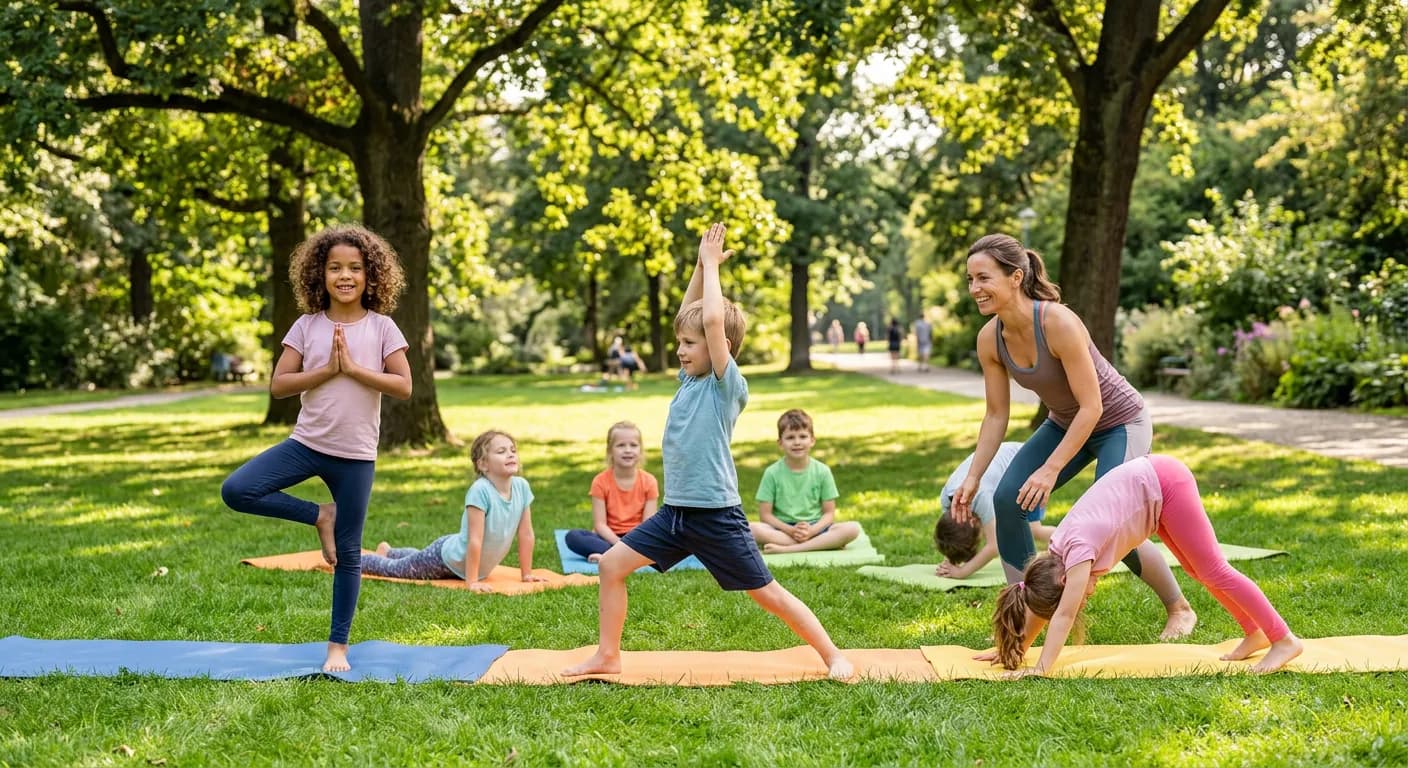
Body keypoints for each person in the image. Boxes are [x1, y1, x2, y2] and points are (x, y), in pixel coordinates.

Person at [563, 223, 854, 681]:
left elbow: (712, 322)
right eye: (680, 342)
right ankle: (608, 655)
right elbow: (693, 314)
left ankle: (833, 654)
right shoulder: (689, 378)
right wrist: (700, 265)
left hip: (717, 515)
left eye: (689, 344)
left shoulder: (725, 385)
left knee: (768, 594)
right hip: (676, 514)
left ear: (722, 350)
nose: (680, 351)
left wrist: (715, 267)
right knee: (612, 567)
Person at [953, 232, 1196, 640]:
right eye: (970, 280)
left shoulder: (1057, 322)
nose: (975, 289)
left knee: (1111, 517)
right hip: (1067, 422)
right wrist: (973, 477)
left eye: (983, 278)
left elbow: (1094, 407)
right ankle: (1026, 614)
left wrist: (1050, 470)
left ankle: (1179, 607)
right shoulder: (990, 339)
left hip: (1120, 421)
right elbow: (996, 415)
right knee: (1007, 500)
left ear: (1015, 277)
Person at [220, 224, 412, 672]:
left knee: (349, 553)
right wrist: (326, 369)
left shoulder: (383, 327)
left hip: (356, 456)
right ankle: (318, 514)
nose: (345, 276)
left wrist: (355, 370)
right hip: (307, 444)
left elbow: (403, 386)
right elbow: (279, 384)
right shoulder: (307, 325)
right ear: (319, 275)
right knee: (238, 490)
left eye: (355, 268)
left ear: (371, 275)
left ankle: (338, 647)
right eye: (334, 268)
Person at [985, 455, 1303, 676]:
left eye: (1080, 597)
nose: (1085, 598)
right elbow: (1051, 603)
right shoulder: (1056, 558)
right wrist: (1017, 648)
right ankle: (1254, 632)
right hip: (1152, 494)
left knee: (1215, 569)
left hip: (1164, 483)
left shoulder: (1077, 552)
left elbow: (1063, 614)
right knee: (1198, 572)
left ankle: (1283, 639)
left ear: (1067, 582)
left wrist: (1041, 669)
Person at [363, 430, 546, 592]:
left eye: (513, 450)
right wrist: (472, 582)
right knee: (396, 570)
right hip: (445, 559)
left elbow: (526, 534)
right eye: (501, 451)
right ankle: (351, 560)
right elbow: (475, 539)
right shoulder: (480, 490)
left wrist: (527, 574)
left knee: (414, 560)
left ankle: (388, 550)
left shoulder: (521, 487)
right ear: (483, 464)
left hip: (463, 563)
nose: (510, 455)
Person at [933, 442, 1054, 579]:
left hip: (1028, 466)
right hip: (1009, 463)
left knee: (1033, 529)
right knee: (1015, 528)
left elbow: (994, 546)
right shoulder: (947, 499)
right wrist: (950, 561)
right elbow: (950, 534)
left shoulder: (981, 497)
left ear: (972, 521)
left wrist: (962, 572)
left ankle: (1069, 543)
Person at [749, 409, 860, 554]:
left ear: (812, 440)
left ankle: (788, 549)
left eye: (802, 436)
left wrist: (812, 531)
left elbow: (829, 513)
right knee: (750, 528)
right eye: (790, 437)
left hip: (816, 527)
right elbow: (765, 515)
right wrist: (790, 530)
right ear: (780, 443)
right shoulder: (771, 473)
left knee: (852, 528)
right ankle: (821, 544)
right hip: (783, 529)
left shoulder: (823, 471)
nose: (797, 442)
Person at [564, 421, 659, 563]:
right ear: (610, 450)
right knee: (573, 536)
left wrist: (631, 543)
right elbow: (600, 525)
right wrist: (619, 545)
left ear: (640, 449)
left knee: (666, 539)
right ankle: (624, 556)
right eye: (621, 445)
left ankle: (609, 556)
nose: (628, 450)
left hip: (639, 538)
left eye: (633, 445)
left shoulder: (649, 481)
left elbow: (648, 524)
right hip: (609, 538)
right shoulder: (600, 481)